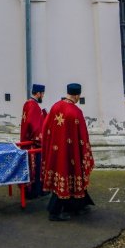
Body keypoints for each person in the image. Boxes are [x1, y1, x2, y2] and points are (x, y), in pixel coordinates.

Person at [42, 83, 94, 221]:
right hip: (71, 153)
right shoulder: (76, 112)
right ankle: (54, 212)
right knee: (69, 177)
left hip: (56, 152)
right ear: (77, 95)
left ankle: (78, 206)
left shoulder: (55, 107)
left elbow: (46, 127)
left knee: (66, 179)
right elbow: (83, 136)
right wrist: (85, 152)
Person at [20, 83, 47, 198]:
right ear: (38, 93)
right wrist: (41, 139)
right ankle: (35, 192)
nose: (43, 97)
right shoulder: (34, 106)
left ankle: (31, 191)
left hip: (26, 141)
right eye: (42, 94)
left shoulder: (27, 103)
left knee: (31, 168)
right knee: (36, 168)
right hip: (33, 144)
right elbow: (34, 126)